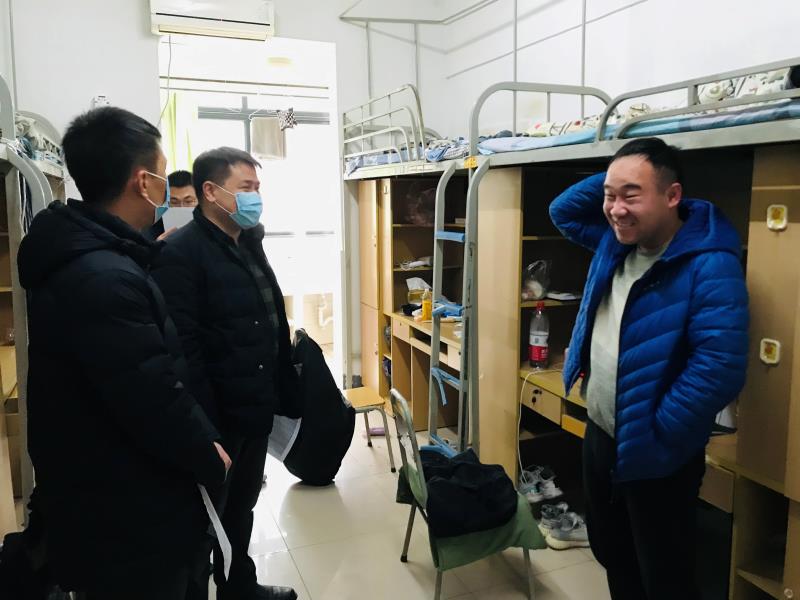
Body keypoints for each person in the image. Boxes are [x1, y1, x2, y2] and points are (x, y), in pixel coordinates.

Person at [16, 107, 232, 599]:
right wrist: (208, 455)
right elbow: (151, 396)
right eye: (162, 174)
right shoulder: (105, 278)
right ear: (143, 182)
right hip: (125, 512)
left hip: (107, 497)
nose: (166, 189)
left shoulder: (99, 256)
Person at [549, 137, 749, 600]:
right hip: (601, 432)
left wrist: (660, 429)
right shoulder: (615, 242)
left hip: (658, 448)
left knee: (664, 575)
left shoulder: (710, 263)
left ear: (673, 195)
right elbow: (563, 211)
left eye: (632, 196)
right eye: (609, 197)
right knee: (612, 552)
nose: (616, 210)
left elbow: (720, 366)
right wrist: (624, 176)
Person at [152, 147, 298, 600]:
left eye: (258, 187)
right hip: (217, 417)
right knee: (204, 518)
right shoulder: (181, 252)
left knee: (241, 507)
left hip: (253, 404)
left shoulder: (248, 241)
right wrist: (206, 427)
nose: (256, 197)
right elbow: (184, 350)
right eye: (246, 188)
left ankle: (239, 587)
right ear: (211, 192)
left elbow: (261, 316)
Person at [146, 169, 199, 240]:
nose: (181, 207)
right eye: (174, 202)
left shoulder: (209, 226)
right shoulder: (152, 229)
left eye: (188, 201)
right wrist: (158, 244)